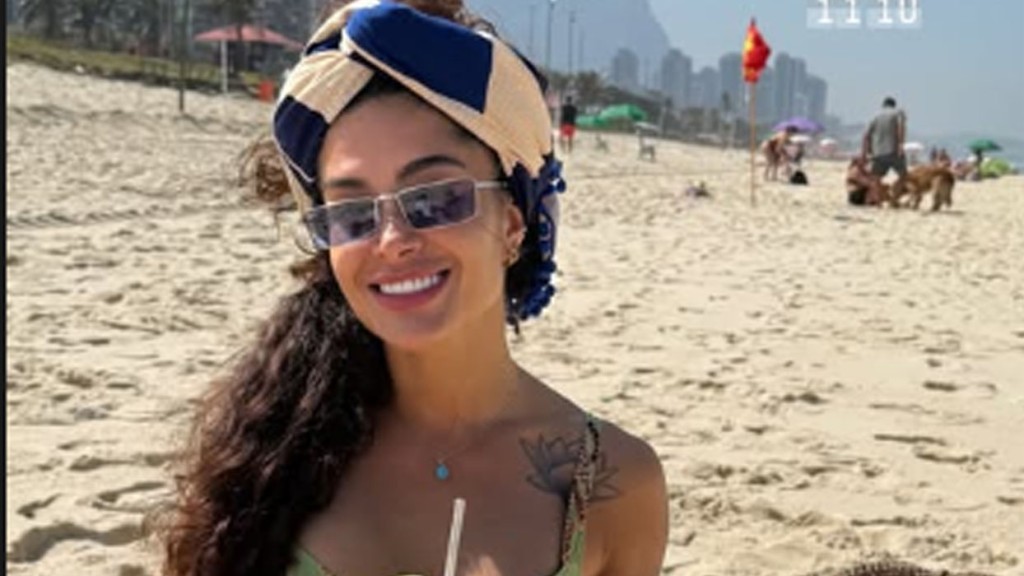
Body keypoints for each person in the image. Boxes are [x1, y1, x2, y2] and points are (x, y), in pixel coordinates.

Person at [153, 2, 669, 576]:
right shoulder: (267, 450)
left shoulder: (610, 482)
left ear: (512, 223)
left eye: (436, 198)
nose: (393, 240)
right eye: (352, 213)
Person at [861, 96, 908, 183]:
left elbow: (866, 136)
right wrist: (900, 145)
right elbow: (900, 128)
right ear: (894, 106)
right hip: (893, 152)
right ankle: (897, 190)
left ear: (883, 105)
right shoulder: (898, 112)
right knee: (904, 177)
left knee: (875, 180)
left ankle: (877, 191)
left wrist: (864, 154)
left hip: (878, 154)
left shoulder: (874, 116)